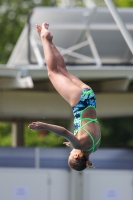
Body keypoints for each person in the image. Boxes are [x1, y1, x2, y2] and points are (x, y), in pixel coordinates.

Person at [28, 22, 101, 171]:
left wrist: (73, 142)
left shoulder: (94, 146)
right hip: (79, 102)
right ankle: (44, 37)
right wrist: (44, 126)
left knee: (62, 70)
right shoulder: (79, 145)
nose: (71, 150)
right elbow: (63, 131)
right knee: (52, 72)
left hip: (89, 97)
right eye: (71, 153)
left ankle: (49, 41)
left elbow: (83, 138)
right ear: (77, 156)